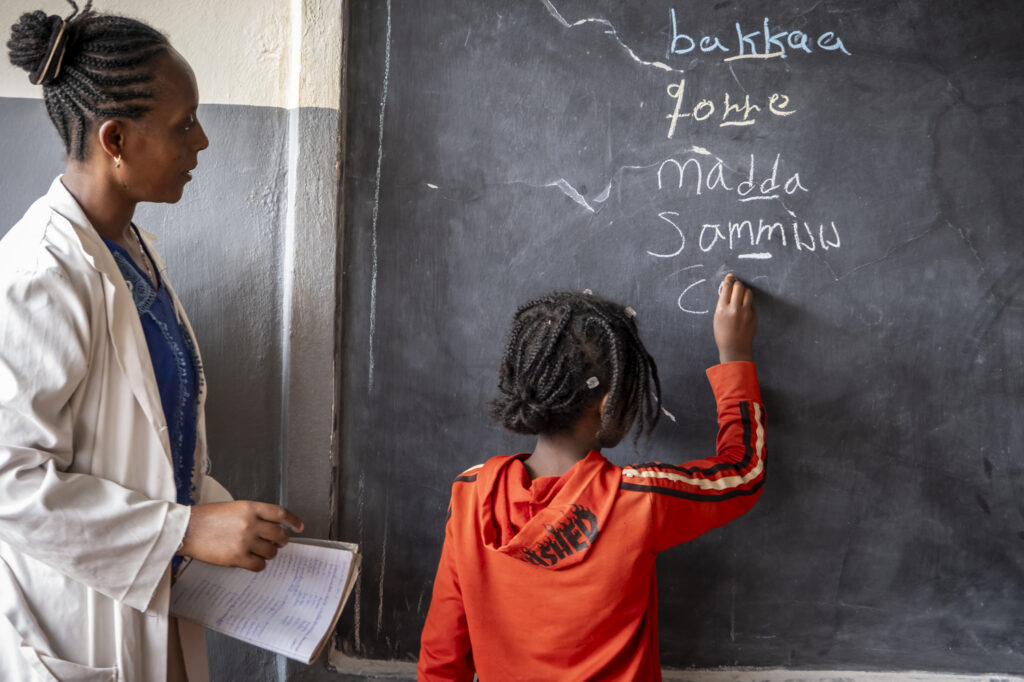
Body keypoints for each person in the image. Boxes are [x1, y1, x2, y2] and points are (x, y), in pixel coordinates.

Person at [1, 3, 303, 680]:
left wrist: (218, 517)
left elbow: (148, 436)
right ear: (114, 140)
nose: (202, 142)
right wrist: (188, 531)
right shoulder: (36, 277)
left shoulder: (128, 252)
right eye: (183, 124)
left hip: (150, 599)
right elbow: (8, 481)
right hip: (78, 624)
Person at [418, 274, 765, 680]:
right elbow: (744, 471)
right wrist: (735, 355)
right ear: (605, 406)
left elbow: (442, 660)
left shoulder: (472, 494)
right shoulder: (638, 498)